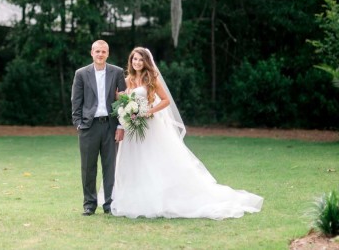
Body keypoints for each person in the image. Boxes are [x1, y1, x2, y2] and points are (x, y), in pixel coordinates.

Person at [109, 47, 263, 219]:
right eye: (134, 59)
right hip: (132, 129)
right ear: (130, 61)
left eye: (140, 59)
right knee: (134, 162)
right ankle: (134, 199)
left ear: (146, 62)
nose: (137, 62)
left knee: (153, 160)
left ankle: (160, 199)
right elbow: (121, 99)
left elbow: (166, 100)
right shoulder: (127, 80)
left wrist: (148, 111)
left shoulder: (151, 79)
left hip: (150, 127)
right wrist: (125, 110)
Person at [71, 40, 127, 215]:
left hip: (110, 126)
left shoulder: (117, 72)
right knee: (88, 167)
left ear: (108, 53)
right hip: (89, 126)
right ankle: (89, 204)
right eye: (97, 51)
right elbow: (76, 101)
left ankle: (109, 204)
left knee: (110, 166)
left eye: (103, 51)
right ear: (92, 53)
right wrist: (78, 123)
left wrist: (120, 125)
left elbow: (124, 101)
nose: (100, 54)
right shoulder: (81, 74)